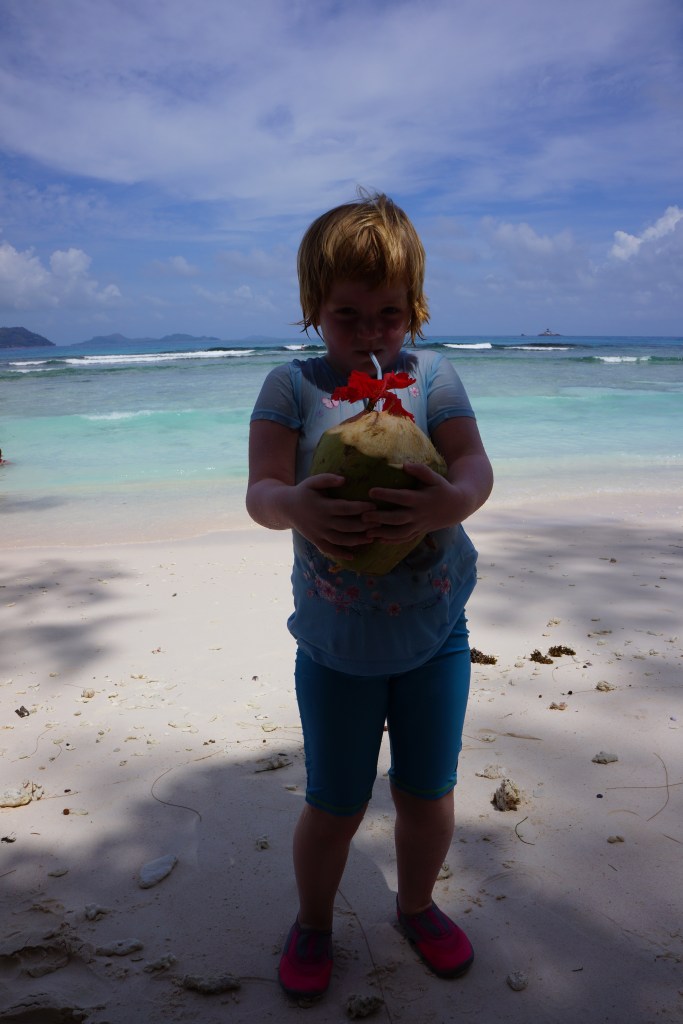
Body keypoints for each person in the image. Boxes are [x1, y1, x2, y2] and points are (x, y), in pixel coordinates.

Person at [246, 192, 493, 998]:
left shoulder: (434, 377)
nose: (369, 331)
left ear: (414, 309)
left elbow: (472, 470)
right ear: (313, 309)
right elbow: (260, 492)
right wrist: (294, 507)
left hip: (434, 632)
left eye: (389, 314)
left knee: (427, 793)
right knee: (335, 801)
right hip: (336, 644)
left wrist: (444, 505)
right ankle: (314, 921)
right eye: (347, 314)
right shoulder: (291, 387)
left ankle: (415, 905)